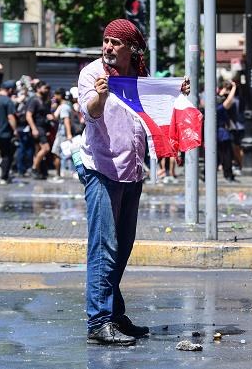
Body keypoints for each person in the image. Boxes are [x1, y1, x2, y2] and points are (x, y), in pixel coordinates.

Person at [75, 18, 189, 346]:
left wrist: (176, 93)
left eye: (116, 42)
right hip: (101, 170)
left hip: (131, 171)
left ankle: (113, 313)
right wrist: (98, 96)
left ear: (131, 48)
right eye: (106, 41)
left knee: (122, 248)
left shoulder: (138, 79)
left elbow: (158, 111)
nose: (108, 47)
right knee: (104, 246)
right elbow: (90, 112)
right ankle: (98, 321)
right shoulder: (92, 74)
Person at [26, 80, 52, 179]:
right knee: (46, 148)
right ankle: (33, 168)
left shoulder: (44, 100)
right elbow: (28, 116)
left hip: (43, 128)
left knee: (38, 150)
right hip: (37, 128)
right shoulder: (34, 100)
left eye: (48, 88)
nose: (47, 90)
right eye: (45, 88)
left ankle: (37, 171)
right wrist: (34, 129)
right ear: (38, 88)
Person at [216, 81, 238, 182]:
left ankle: (205, 173)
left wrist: (224, 88)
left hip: (217, 133)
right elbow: (229, 100)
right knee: (227, 155)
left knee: (218, 155)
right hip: (222, 134)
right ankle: (228, 175)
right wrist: (234, 87)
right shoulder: (219, 108)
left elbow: (220, 96)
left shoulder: (215, 106)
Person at [50, 88, 74, 180]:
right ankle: (59, 173)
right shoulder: (64, 105)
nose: (54, 97)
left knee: (56, 153)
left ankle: (58, 174)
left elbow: (66, 120)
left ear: (60, 95)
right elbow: (56, 117)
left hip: (62, 133)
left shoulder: (64, 107)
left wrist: (68, 134)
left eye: (56, 95)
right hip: (61, 133)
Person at [0, 80, 17, 184]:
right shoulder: (7, 101)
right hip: (4, 133)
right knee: (6, 155)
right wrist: (15, 130)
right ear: (10, 90)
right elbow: (11, 117)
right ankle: (3, 178)